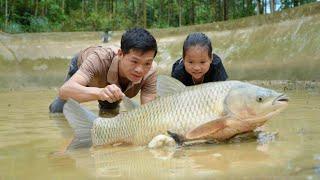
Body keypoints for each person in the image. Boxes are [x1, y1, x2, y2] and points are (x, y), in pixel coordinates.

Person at [49, 27, 158, 115]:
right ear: (120, 54)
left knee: (110, 113)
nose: (140, 70)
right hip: (85, 66)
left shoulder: (151, 71)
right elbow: (65, 91)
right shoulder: (98, 59)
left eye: (147, 63)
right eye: (134, 61)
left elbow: (148, 111)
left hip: (109, 81)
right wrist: (100, 92)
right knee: (58, 111)